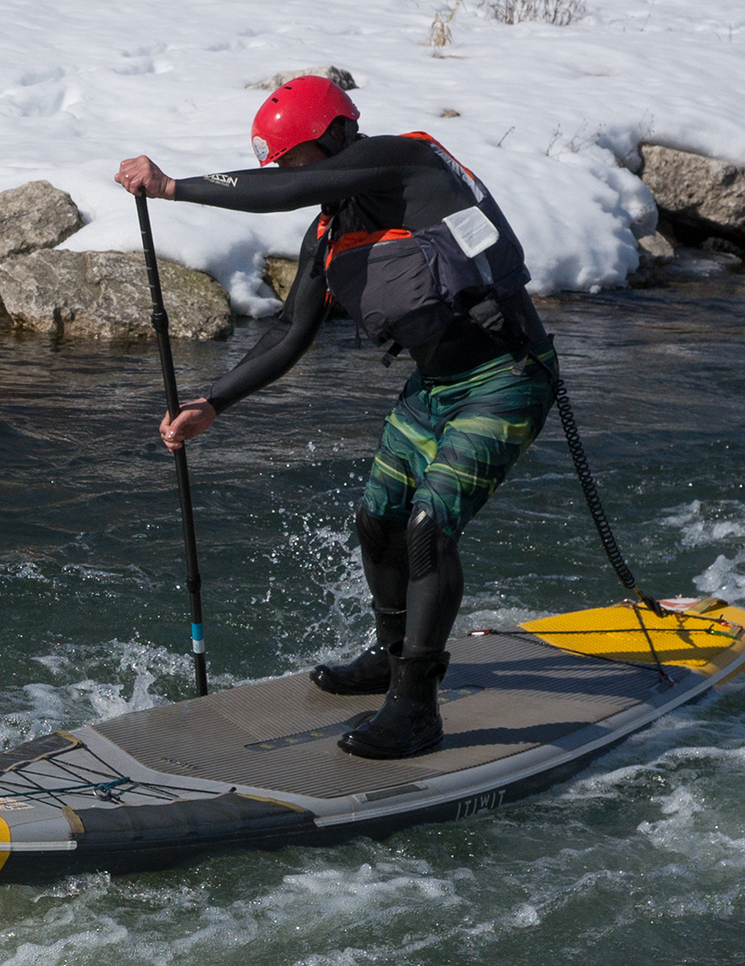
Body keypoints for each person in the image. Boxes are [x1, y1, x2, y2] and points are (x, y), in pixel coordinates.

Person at [114, 77, 555, 760]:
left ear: (337, 138)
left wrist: (173, 188)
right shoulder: (332, 230)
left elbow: (280, 194)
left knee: (427, 527)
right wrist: (213, 402)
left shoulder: (403, 162)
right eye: (285, 167)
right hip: (434, 388)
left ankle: (416, 705)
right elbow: (290, 332)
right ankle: (387, 652)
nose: (294, 179)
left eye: (299, 163)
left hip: (506, 375)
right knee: (378, 516)